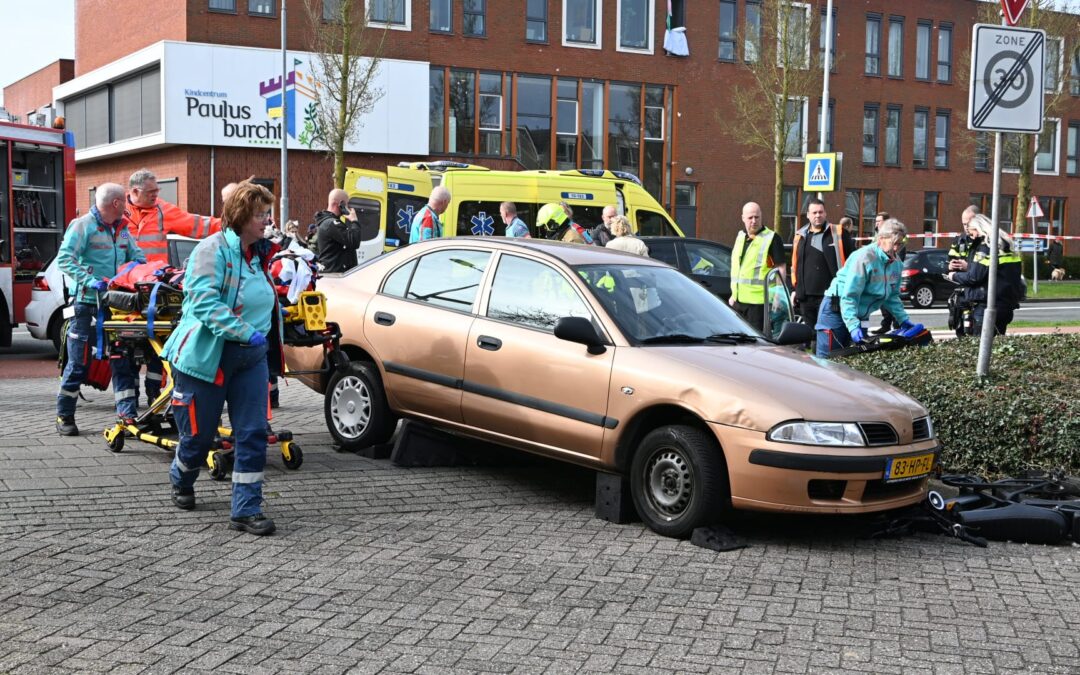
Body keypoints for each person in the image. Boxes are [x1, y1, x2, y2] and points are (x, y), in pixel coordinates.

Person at [161, 182, 281, 536]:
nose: (267, 220)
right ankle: (182, 476)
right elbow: (203, 304)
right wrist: (245, 331)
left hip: (250, 359)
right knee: (198, 438)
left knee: (253, 433)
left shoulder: (259, 254)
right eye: (261, 214)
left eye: (267, 213)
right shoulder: (210, 250)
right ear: (242, 216)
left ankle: (246, 510)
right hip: (208, 358)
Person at [125, 169, 222, 408]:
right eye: (151, 192)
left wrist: (233, 223)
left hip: (153, 290)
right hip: (124, 291)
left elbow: (198, 225)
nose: (156, 195)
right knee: (127, 350)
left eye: (157, 191)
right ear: (135, 192)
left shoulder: (161, 210)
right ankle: (128, 402)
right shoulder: (120, 213)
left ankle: (155, 396)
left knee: (159, 347)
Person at [55, 184, 146, 436]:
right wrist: (89, 280)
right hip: (86, 303)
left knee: (122, 359)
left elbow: (138, 259)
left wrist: (132, 275)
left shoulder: (124, 229)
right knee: (78, 362)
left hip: (116, 304)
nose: (127, 205)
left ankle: (127, 417)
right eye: (124, 201)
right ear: (116, 203)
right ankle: (64, 415)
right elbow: (65, 259)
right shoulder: (82, 226)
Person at [816, 218, 915, 358]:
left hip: (860, 314)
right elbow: (850, 296)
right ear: (880, 239)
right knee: (828, 359)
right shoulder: (864, 258)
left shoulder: (896, 264)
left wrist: (903, 319)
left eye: (899, 244)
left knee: (857, 358)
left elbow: (892, 296)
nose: (895, 249)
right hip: (836, 309)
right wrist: (853, 325)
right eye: (893, 244)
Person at [946, 213, 1022, 336]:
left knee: (980, 346)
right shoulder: (1005, 244)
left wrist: (953, 276)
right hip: (1006, 304)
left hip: (988, 303)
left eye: (972, 233)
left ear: (979, 229)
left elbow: (974, 277)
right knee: (997, 344)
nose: (972, 237)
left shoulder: (986, 246)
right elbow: (994, 270)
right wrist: (970, 266)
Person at [790, 198, 853, 326]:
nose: (817, 215)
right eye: (814, 213)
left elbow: (853, 260)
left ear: (825, 213)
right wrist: (795, 289)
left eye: (820, 212)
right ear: (807, 215)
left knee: (828, 332)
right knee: (810, 333)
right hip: (806, 297)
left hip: (831, 295)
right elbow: (795, 265)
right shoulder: (800, 236)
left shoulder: (838, 233)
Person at [729, 202, 786, 330]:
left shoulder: (772, 238)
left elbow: (780, 268)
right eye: (750, 218)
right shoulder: (740, 237)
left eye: (757, 217)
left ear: (761, 216)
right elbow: (737, 269)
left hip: (760, 303)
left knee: (756, 343)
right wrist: (734, 295)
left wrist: (778, 295)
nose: (754, 221)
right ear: (743, 218)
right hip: (739, 301)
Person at [314, 188, 363, 273]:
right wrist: (354, 221)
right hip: (335, 275)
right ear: (341, 204)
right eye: (346, 204)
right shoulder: (331, 223)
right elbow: (354, 241)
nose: (348, 208)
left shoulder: (330, 222)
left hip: (335, 274)